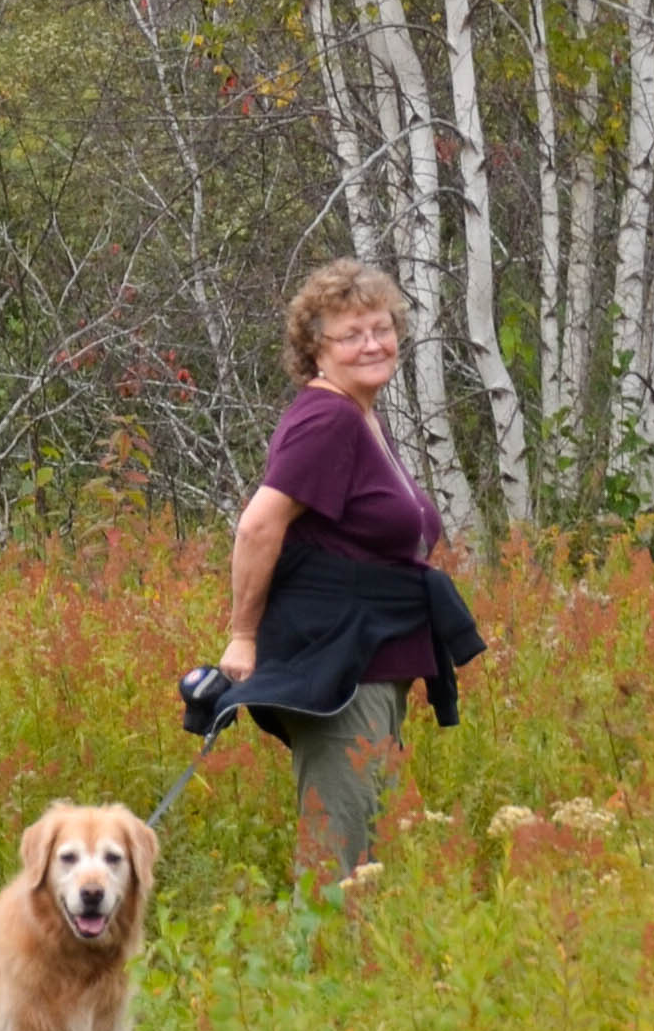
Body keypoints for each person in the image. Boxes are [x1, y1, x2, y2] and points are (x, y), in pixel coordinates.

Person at [202, 259, 480, 882]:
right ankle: (320, 968)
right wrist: (242, 635)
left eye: (381, 329)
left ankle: (355, 974)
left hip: (374, 660)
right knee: (338, 866)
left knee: (366, 858)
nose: (372, 345)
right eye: (351, 334)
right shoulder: (327, 419)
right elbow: (257, 525)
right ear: (314, 348)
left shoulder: (361, 417)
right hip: (340, 666)